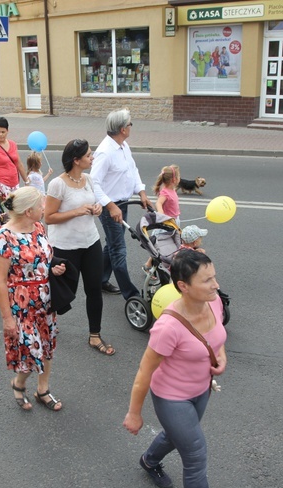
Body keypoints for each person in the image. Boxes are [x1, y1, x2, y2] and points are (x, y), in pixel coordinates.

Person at [123, 250, 227, 488]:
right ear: (184, 286)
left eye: (214, 277)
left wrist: (221, 356)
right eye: (207, 280)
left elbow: (216, 337)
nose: (216, 285)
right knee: (195, 456)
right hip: (173, 398)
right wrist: (134, 413)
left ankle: (149, 461)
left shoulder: (214, 301)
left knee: (175, 435)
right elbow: (144, 372)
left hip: (202, 390)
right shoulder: (168, 327)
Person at [0, 187, 66, 411]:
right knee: (30, 350)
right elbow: (0, 282)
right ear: (28, 210)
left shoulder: (39, 227)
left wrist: (53, 269)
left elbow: (43, 260)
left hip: (46, 300)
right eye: (40, 205)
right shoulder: (3, 237)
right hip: (21, 305)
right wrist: (7, 319)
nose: (44, 208)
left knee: (47, 345)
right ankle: (19, 382)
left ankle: (43, 389)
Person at [45, 139, 114, 356]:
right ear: (76, 160)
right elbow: (48, 217)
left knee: (94, 290)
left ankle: (95, 335)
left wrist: (97, 208)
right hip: (65, 247)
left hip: (90, 242)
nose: (92, 158)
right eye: (88, 155)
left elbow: (96, 205)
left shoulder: (89, 179)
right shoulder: (57, 184)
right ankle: (45, 324)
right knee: (63, 292)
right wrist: (76, 211)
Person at [91, 108, 149, 298]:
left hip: (122, 205)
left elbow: (132, 170)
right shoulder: (105, 153)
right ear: (123, 129)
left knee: (112, 244)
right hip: (111, 208)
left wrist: (141, 191)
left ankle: (99, 280)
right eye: (130, 124)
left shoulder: (123, 146)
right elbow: (94, 183)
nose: (131, 127)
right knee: (118, 249)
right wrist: (110, 206)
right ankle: (131, 294)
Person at [143, 164, 181, 274]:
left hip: (174, 222)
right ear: (174, 179)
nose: (180, 179)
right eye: (179, 177)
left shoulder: (172, 190)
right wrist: (162, 216)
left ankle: (156, 265)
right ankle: (149, 266)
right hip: (166, 224)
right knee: (161, 247)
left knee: (172, 245)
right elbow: (159, 203)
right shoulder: (165, 192)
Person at [0, 117, 27, 199]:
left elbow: (19, 164)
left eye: (3, 132)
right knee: (8, 209)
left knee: (17, 208)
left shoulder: (13, 144)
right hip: (3, 184)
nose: (0, 134)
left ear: (7, 131)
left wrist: (27, 181)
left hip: (15, 182)